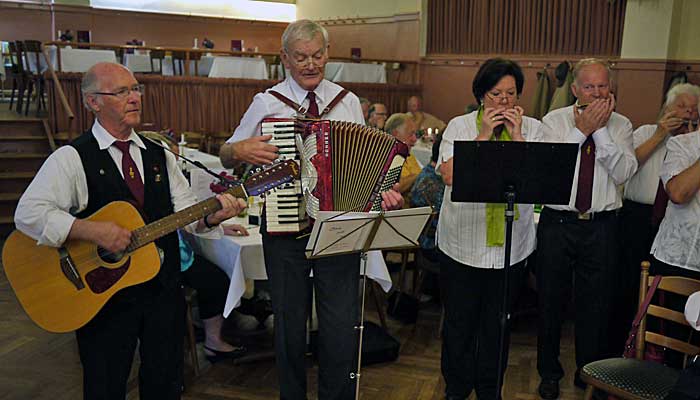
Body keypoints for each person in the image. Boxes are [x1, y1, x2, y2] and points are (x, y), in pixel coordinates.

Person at [13, 62, 246, 400]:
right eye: (122, 92)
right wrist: (90, 230)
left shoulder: (159, 154)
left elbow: (186, 213)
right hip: (103, 296)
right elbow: (28, 213)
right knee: (105, 386)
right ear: (93, 102)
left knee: (166, 382)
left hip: (163, 291)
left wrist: (212, 217)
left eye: (136, 89)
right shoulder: (71, 158)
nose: (135, 98)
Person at [218, 19, 403, 400]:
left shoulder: (346, 101)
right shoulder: (266, 103)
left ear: (327, 54)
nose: (310, 64)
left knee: (340, 325)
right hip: (284, 228)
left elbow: (366, 161)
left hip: (339, 228)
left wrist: (382, 190)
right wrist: (239, 150)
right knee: (288, 325)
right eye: (300, 57)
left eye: (317, 55)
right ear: (285, 58)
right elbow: (226, 152)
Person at [436, 58, 541, 400]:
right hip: (462, 243)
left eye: (511, 94)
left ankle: (489, 388)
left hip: (511, 246)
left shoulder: (534, 129)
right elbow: (449, 176)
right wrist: (483, 137)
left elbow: (540, 181)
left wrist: (519, 136)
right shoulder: (460, 126)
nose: (504, 102)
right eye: (496, 94)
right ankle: (456, 385)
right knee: (460, 322)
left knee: (497, 324)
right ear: (482, 95)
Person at [535, 58, 637, 399]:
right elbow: (550, 169)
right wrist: (581, 131)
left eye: (603, 86)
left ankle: (588, 373)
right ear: (575, 89)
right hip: (558, 223)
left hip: (602, 227)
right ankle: (548, 373)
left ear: (611, 88)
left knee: (595, 307)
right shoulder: (553, 121)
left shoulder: (622, 125)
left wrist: (601, 131)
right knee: (550, 301)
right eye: (589, 86)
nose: (597, 93)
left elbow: (623, 173)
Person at [614, 83, 700, 352]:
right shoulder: (646, 133)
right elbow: (626, 168)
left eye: (692, 108)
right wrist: (661, 135)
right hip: (639, 219)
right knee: (631, 291)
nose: (686, 113)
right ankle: (627, 350)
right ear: (666, 107)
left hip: (673, 228)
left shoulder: (693, 141)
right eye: (681, 106)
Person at [384, 112, 420, 204]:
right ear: (395, 134)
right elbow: (392, 187)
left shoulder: (409, 155)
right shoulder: (384, 157)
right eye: (411, 134)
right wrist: (419, 176)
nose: (415, 139)